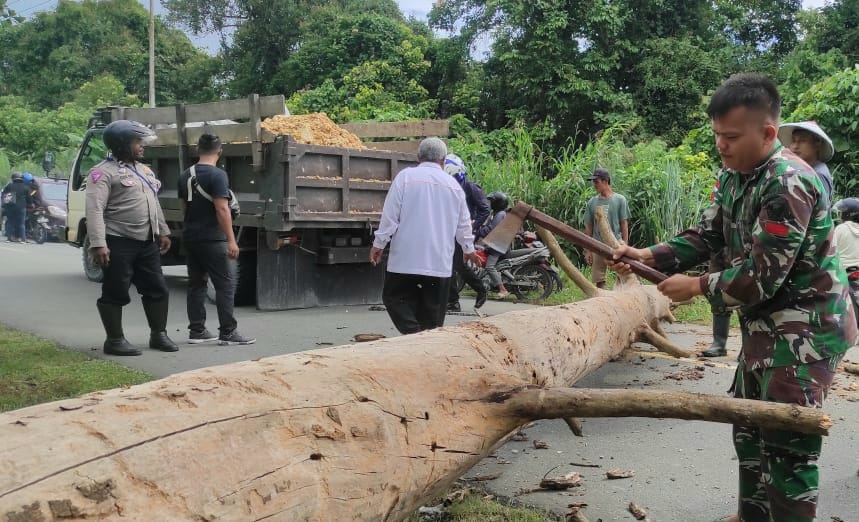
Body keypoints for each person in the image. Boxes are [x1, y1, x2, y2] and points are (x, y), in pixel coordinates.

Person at [611, 73, 856, 522]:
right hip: (766, 329)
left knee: (786, 448)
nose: (721, 145)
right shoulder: (734, 176)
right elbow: (705, 234)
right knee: (747, 431)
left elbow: (764, 275)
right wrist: (650, 253)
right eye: (718, 136)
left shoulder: (789, 183)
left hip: (806, 332)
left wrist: (699, 285)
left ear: (766, 133)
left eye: (731, 137)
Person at [86, 119, 179, 356]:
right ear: (121, 144)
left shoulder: (144, 171)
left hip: (147, 242)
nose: (142, 146)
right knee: (116, 291)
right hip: (118, 241)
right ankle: (115, 340)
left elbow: (153, 203)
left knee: (157, 289)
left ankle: (159, 335)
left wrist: (163, 231)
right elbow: (94, 210)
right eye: (137, 141)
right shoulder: (102, 173)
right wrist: (98, 244)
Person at [370, 137, 480, 334]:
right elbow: (464, 224)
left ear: (418, 157)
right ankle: (422, 342)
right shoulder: (454, 186)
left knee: (394, 299)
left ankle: (412, 333)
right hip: (439, 264)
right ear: (443, 160)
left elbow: (390, 216)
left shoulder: (405, 178)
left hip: (405, 261)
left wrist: (379, 244)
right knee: (432, 321)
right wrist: (468, 250)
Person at [178, 134, 255, 346]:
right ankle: (228, 332)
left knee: (196, 284)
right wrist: (231, 240)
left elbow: (185, 207)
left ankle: (197, 330)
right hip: (213, 239)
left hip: (191, 237)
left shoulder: (185, 175)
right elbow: (222, 209)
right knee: (225, 285)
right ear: (220, 151)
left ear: (197, 149)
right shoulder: (218, 175)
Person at [444, 153, 489, 311]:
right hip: (453, 231)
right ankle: (454, 300)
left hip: (465, 231)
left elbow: (485, 209)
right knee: (453, 265)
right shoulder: (451, 188)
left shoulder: (471, 187)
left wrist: (473, 225)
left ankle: (476, 291)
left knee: (456, 265)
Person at [583, 167, 630, 288]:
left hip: (616, 243)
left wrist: (625, 244)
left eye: (596, 182)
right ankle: (602, 300)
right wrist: (588, 250)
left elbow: (624, 223)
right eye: (593, 182)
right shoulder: (592, 202)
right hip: (597, 243)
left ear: (605, 181)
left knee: (623, 274)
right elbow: (588, 227)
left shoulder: (620, 200)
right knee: (599, 278)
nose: (594, 185)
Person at [778, 121, 834, 205]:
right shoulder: (804, 170)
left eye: (802, 141)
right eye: (793, 141)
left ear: (817, 143)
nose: (795, 146)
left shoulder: (818, 174)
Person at [476, 191, 511, 299]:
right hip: (498, 244)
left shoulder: (500, 215)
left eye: (492, 202)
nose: (490, 204)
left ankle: (503, 289)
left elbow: (490, 229)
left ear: (498, 203)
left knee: (489, 267)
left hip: (498, 247)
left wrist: (479, 231)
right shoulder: (499, 213)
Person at [833, 197, 859, 327]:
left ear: (849, 214)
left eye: (842, 212)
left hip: (845, 271)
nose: (840, 214)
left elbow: (831, 250)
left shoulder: (841, 229)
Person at [2, 172, 31, 243]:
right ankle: (23, 239)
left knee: (10, 222)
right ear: (21, 179)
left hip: (11, 207)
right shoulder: (25, 187)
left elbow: (4, 195)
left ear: (13, 179)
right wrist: (30, 204)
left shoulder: (9, 186)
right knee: (21, 223)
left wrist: (4, 205)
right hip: (21, 207)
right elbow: (29, 198)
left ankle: (9, 238)